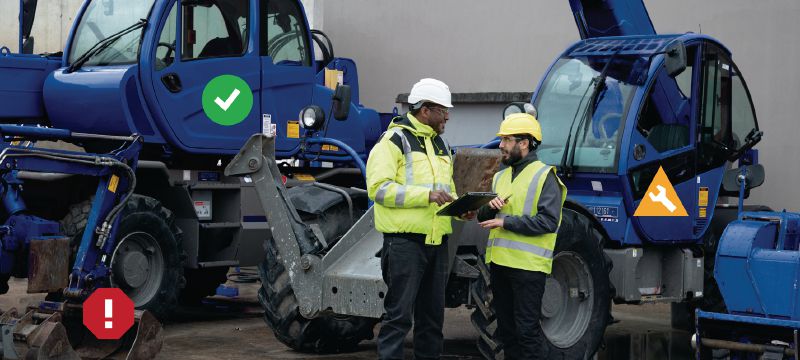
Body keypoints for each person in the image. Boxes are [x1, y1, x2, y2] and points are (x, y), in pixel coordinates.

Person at [367, 78, 473, 360]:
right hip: (405, 244)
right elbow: (378, 189)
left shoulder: (441, 145)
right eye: (443, 110)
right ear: (425, 110)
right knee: (398, 318)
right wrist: (426, 196)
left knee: (432, 321)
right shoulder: (393, 141)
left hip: (437, 242)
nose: (448, 115)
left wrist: (460, 208)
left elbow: (446, 191)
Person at [476, 112, 566, 360]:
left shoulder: (544, 175)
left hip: (528, 268)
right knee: (507, 332)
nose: (501, 145)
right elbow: (482, 216)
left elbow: (549, 221)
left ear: (524, 143)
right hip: (500, 265)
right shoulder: (500, 176)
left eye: (506, 139)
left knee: (527, 332)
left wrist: (506, 221)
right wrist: (490, 207)